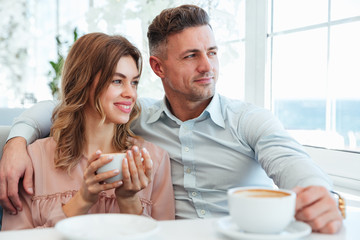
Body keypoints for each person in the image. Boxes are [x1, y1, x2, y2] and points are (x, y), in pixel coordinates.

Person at [0, 5, 342, 233]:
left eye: (212, 52)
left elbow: (291, 161)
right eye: (192, 55)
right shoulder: (136, 116)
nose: (207, 66)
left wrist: (321, 193)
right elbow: (66, 107)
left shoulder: (247, 121)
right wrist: (16, 140)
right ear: (159, 67)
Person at [1, 32, 175, 230]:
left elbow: (166, 235)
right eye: (117, 81)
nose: (131, 93)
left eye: (134, 82)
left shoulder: (155, 160)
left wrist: (128, 200)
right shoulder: (34, 159)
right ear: (83, 83)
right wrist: (82, 200)